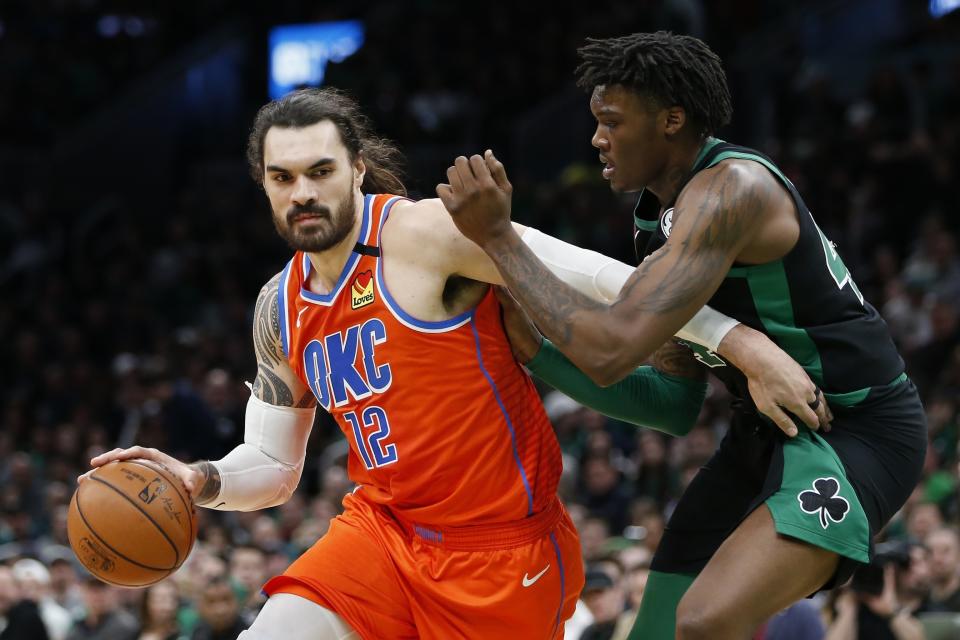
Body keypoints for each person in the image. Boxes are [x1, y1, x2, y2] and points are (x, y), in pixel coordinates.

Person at [83, 87, 823, 639]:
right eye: (283, 178)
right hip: (382, 533)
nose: (303, 192)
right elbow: (273, 467)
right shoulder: (278, 308)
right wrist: (197, 479)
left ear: (356, 169)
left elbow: (605, 280)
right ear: (264, 185)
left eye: (319, 171)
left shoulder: (426, 234)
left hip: (504, 552)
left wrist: (742, 345)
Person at [438, 31, 927, 640]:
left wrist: (500, 239)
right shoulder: (656, 220)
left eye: (611, 121)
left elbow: (610, 349)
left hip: (856, 430)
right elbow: (672, 406)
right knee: (657, 632)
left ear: (671, 120)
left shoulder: (732, 192)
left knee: (703, 621)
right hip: (763, 435)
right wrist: (536, 351)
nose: (596, 138)